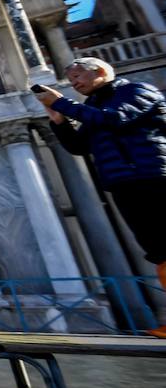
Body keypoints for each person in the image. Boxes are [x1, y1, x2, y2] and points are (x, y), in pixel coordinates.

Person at [37, 57, 166, 337]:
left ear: (101, 71)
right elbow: (79, 146)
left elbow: (115, 119)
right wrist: (59, 121)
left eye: (78, 77)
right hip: (123, 182)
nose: (75, 84)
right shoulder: (93, 107)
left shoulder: (136, 91)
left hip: (155, 175)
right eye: (71, 81)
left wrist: (62, 102)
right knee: (157, 249)